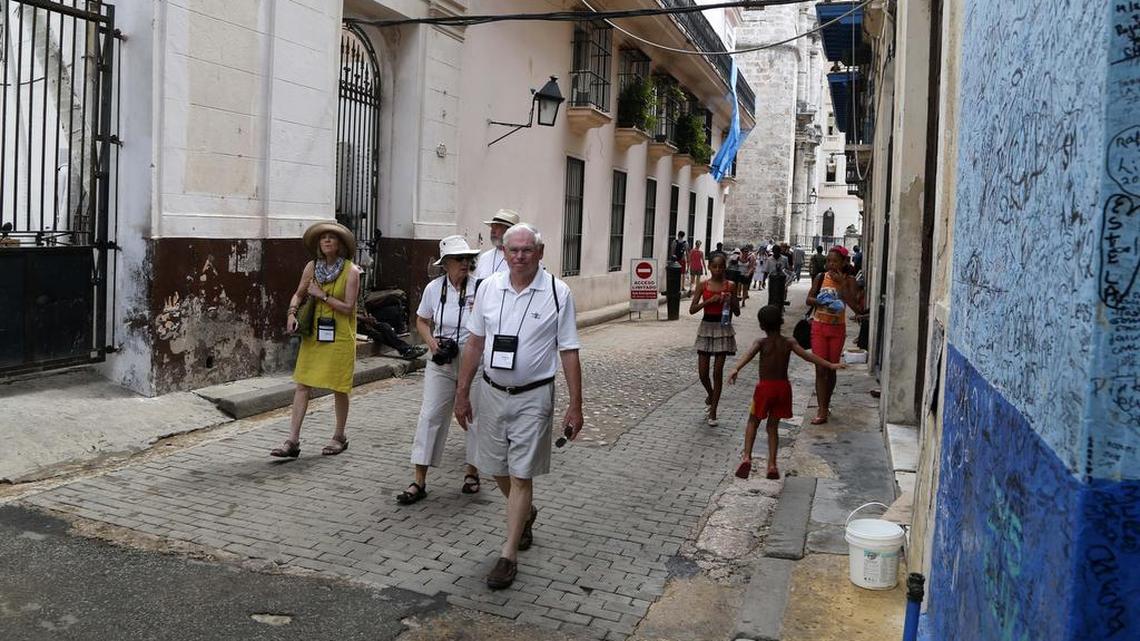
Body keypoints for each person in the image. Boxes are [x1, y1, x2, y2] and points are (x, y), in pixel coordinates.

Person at [454, 223, 583, 590]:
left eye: (528, 250)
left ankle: (507, 554)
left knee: (521, 473)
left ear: (540, 253)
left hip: (534, 396)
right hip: (492, 392)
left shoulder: (558, 293)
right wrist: (462, 393)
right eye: (514, 250)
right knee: (494, 466)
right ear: (504, 253)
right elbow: (475, 344)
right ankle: (525, 511)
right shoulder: (489, 288)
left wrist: (576, 405)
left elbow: (569, 350)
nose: (520, 257)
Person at [396, 236, 482, 505]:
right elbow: (422, 320)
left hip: (474, 358)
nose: (465, 264)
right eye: (459, 259)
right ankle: (419, 480)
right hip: (441, 360)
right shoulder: (434, 289)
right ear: (445, 264)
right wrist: (433, 344)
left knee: (473, 416)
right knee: (430, 415)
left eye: (468, 259)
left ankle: (472, 471)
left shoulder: (481, 288)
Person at [272, 222, 360, 458]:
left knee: (339, 387)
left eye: (332, 237)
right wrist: (291, 314)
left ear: (340, 244)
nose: (327, 241)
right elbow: (299, 293)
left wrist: (322, 295)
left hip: (340, 335)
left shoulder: (351, 271)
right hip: (315, 333)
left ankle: (339, 435)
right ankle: (292, 440)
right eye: (324, 238)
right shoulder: (312, 267)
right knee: (303, 384)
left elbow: (348, 307)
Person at [728, 305, 844, 479]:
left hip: (764, 388)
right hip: (783, 389)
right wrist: (830, 365)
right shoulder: (789, 342)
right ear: (781, 322)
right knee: (773, 427)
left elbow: (748, 355)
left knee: (753, 421)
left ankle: (746, 457)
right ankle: (772, 464)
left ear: (761, 325)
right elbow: (808, 356)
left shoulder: (761, 343)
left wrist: (736, 368)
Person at [806, 246, 867, 424]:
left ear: (843, 263)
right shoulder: (820, 278)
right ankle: (821, 409)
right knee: (820, 369)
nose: (831, 264)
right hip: (819, 327)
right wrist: (820, 302)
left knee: (831, 369)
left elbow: (856, 308)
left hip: (837, 329)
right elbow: (809, 299)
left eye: (835, 261)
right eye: (829, 261)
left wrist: (841, 286)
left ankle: (827, 402)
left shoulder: (849, 281)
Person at [689, 253, 739, 427]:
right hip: (706, 327)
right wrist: (709, 301)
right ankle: (711, 395)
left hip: (723, 328)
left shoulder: (731, 285)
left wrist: (731, 299)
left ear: (725, 268)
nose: (718, 270)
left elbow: (737, 311)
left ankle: (714, 411)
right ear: (709, 267)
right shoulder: (703, 285)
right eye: (714, 266)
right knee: (703, 373)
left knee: (717, 372)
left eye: (721, 267)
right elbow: (692, 309)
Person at [474, 209, 520, 290]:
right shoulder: (484, 257)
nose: (492, 231)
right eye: (492, 228)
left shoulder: (520, 258)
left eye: (497, 227)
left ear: (509, 230)